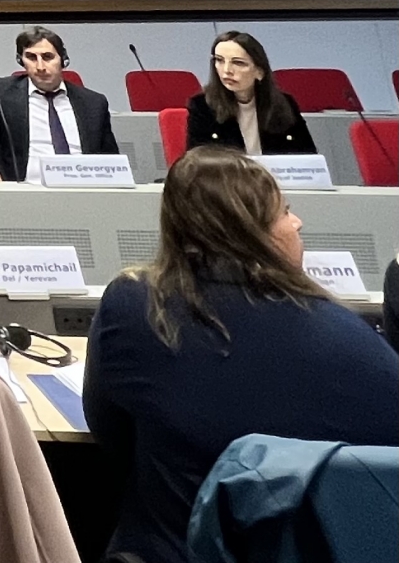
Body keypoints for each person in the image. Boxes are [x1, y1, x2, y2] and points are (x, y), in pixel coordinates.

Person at [83, 148, 399, 563]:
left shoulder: (135, 308)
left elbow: (109, 432)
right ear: (251, 233)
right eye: (284, 212)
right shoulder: (352, 340)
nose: (297, 222)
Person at [0, 25, 117, 182]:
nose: (40, 67)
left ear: (63, 60)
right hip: (24, 190)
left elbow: (111, 159)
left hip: (84, 188)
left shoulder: (93, 103)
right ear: (21, 61)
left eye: (48, 57)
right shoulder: (1, 95)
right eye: (31, 58)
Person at [185, 30, 317, 155]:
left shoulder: (283, 103)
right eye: (219, 60)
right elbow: (198, 161)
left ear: (259, 72)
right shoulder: (202, 105)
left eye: (238, 63)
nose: (227, 70)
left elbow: (308, 156)